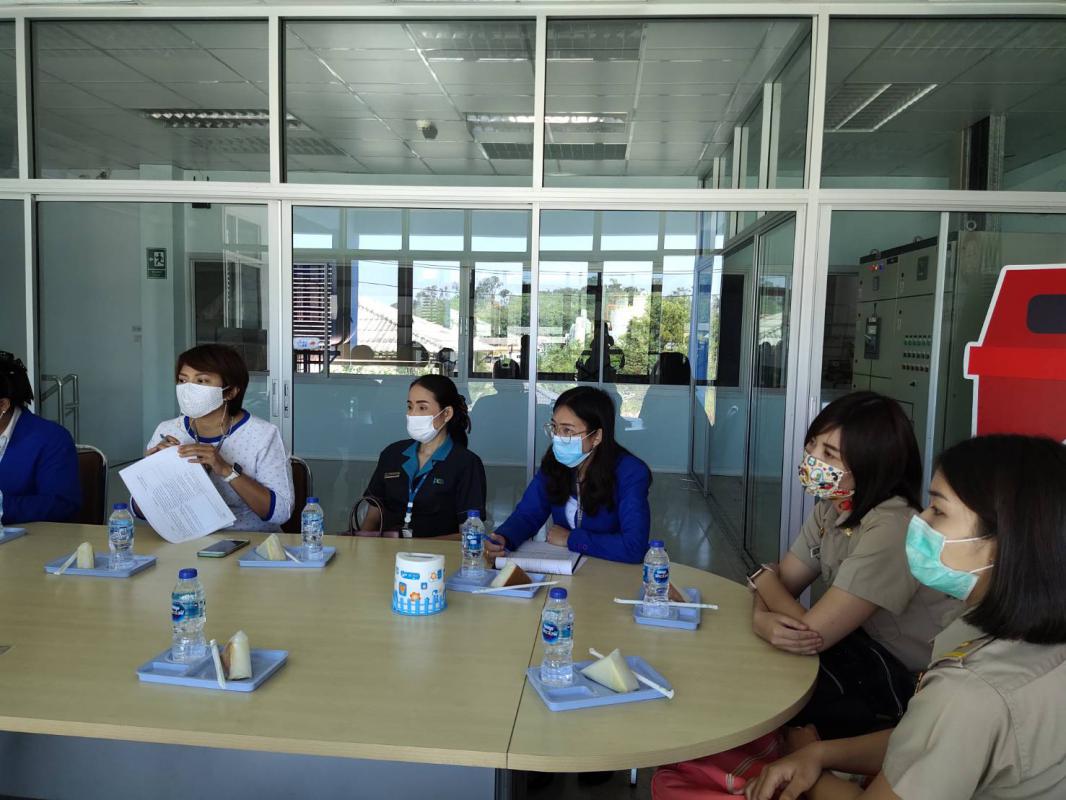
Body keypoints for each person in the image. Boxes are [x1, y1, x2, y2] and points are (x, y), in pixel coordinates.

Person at [745, 434, 1066, 800]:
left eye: (938, 511)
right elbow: (928, 743)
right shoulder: (1020, 640)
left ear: (1003, 542)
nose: (920, 520)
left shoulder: (967, 692)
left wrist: (802, 764)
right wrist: (820, 754)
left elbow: (943, 730)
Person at [748, 391, 958, 739]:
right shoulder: (832, 509)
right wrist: (762, 610)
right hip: (860, 657)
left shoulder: (891, 526)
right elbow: (782, 584)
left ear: (870, 464)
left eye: (829, 454)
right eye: (812, 445)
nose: (812, 458)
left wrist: (761, 580)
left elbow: (809, 634)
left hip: (908, 685)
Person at [485, 385, 651, 564]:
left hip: (610, 569)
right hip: (563, 569)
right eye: (555, 427)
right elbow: (528, 514)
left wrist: (570, 539)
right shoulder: (554, 462)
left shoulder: (630, 472)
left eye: (567, 430)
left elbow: (634, 547)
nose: (557, 437)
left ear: (596, 436)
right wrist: (504, 537)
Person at [139, 344, 293, 532]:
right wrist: (152, 471)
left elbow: (280, 512)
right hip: (184, 538)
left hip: (249, 539)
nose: (188, 388)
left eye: (202, 381)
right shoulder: (167, 430)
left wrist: (226, 470)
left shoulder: (264, 435)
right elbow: (139, 511)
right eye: (182, 380)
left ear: (230, 391)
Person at [359, 375, 486, 538]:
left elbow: (469, 533)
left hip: (439, 553)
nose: (413, 414)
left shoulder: (466, 463)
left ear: (446, 413)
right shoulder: (392, 454)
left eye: (422, 408)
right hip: (387, 550)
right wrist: (360, 544)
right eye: (410, 406)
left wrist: (418, 546)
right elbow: (372, 517)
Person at [0, 351, 80, 524]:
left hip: (29, 538)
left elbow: (60, 505)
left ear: (3, 405)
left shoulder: (51, 438)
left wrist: (2, 507)